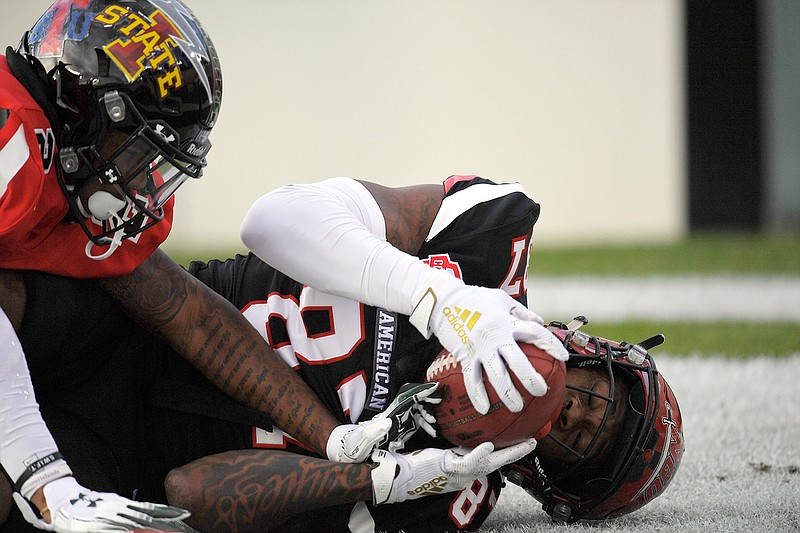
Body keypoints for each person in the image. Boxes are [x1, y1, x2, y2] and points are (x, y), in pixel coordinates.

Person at [0, 176, 683, 531]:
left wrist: (382, 481)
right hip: (136, 319)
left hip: (128, 462)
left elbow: (193, 497)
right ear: (596, 353)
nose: (571, 416)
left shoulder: (449, 502)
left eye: (580, 443)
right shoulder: (489, 245)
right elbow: (271, 220)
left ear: (554, 483)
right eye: (598, 401)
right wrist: (438, 298)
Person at [1, 2, 444, 530]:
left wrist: (332, 439)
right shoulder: (15, 141)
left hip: (92, 396)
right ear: (87, 106)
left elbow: (194, 319)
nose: (145, 184)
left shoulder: (65, 165)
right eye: (145, 154)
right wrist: (46, 482)